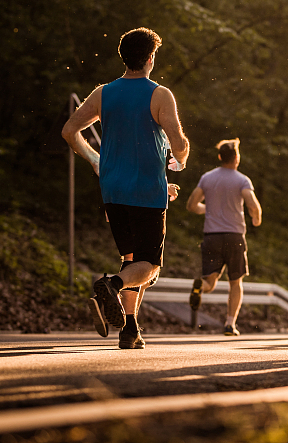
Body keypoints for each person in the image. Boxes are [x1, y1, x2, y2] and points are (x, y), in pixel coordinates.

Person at [62, 27, 190, 349]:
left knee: (132, 258)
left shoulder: (103, 93)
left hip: (113, 192)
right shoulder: (159, 95)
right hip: (146, 193)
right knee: (148, 265)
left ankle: (130, 328)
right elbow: (178, 144)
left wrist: (94, 159)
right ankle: (111, 285)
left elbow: (69, 130)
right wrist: (181, 157)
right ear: (150, 58)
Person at [186, 138, 262, 336]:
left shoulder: (207, 178)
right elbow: (253, 205)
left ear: (220, 157)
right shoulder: (242, 180)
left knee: (210, 282)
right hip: (234, 236)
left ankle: (199, 286)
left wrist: (208, 210)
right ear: (236, 158)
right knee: (235, 282)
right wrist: (256, 218)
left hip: (212, 236)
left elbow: (191, 205)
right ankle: (230, 324)